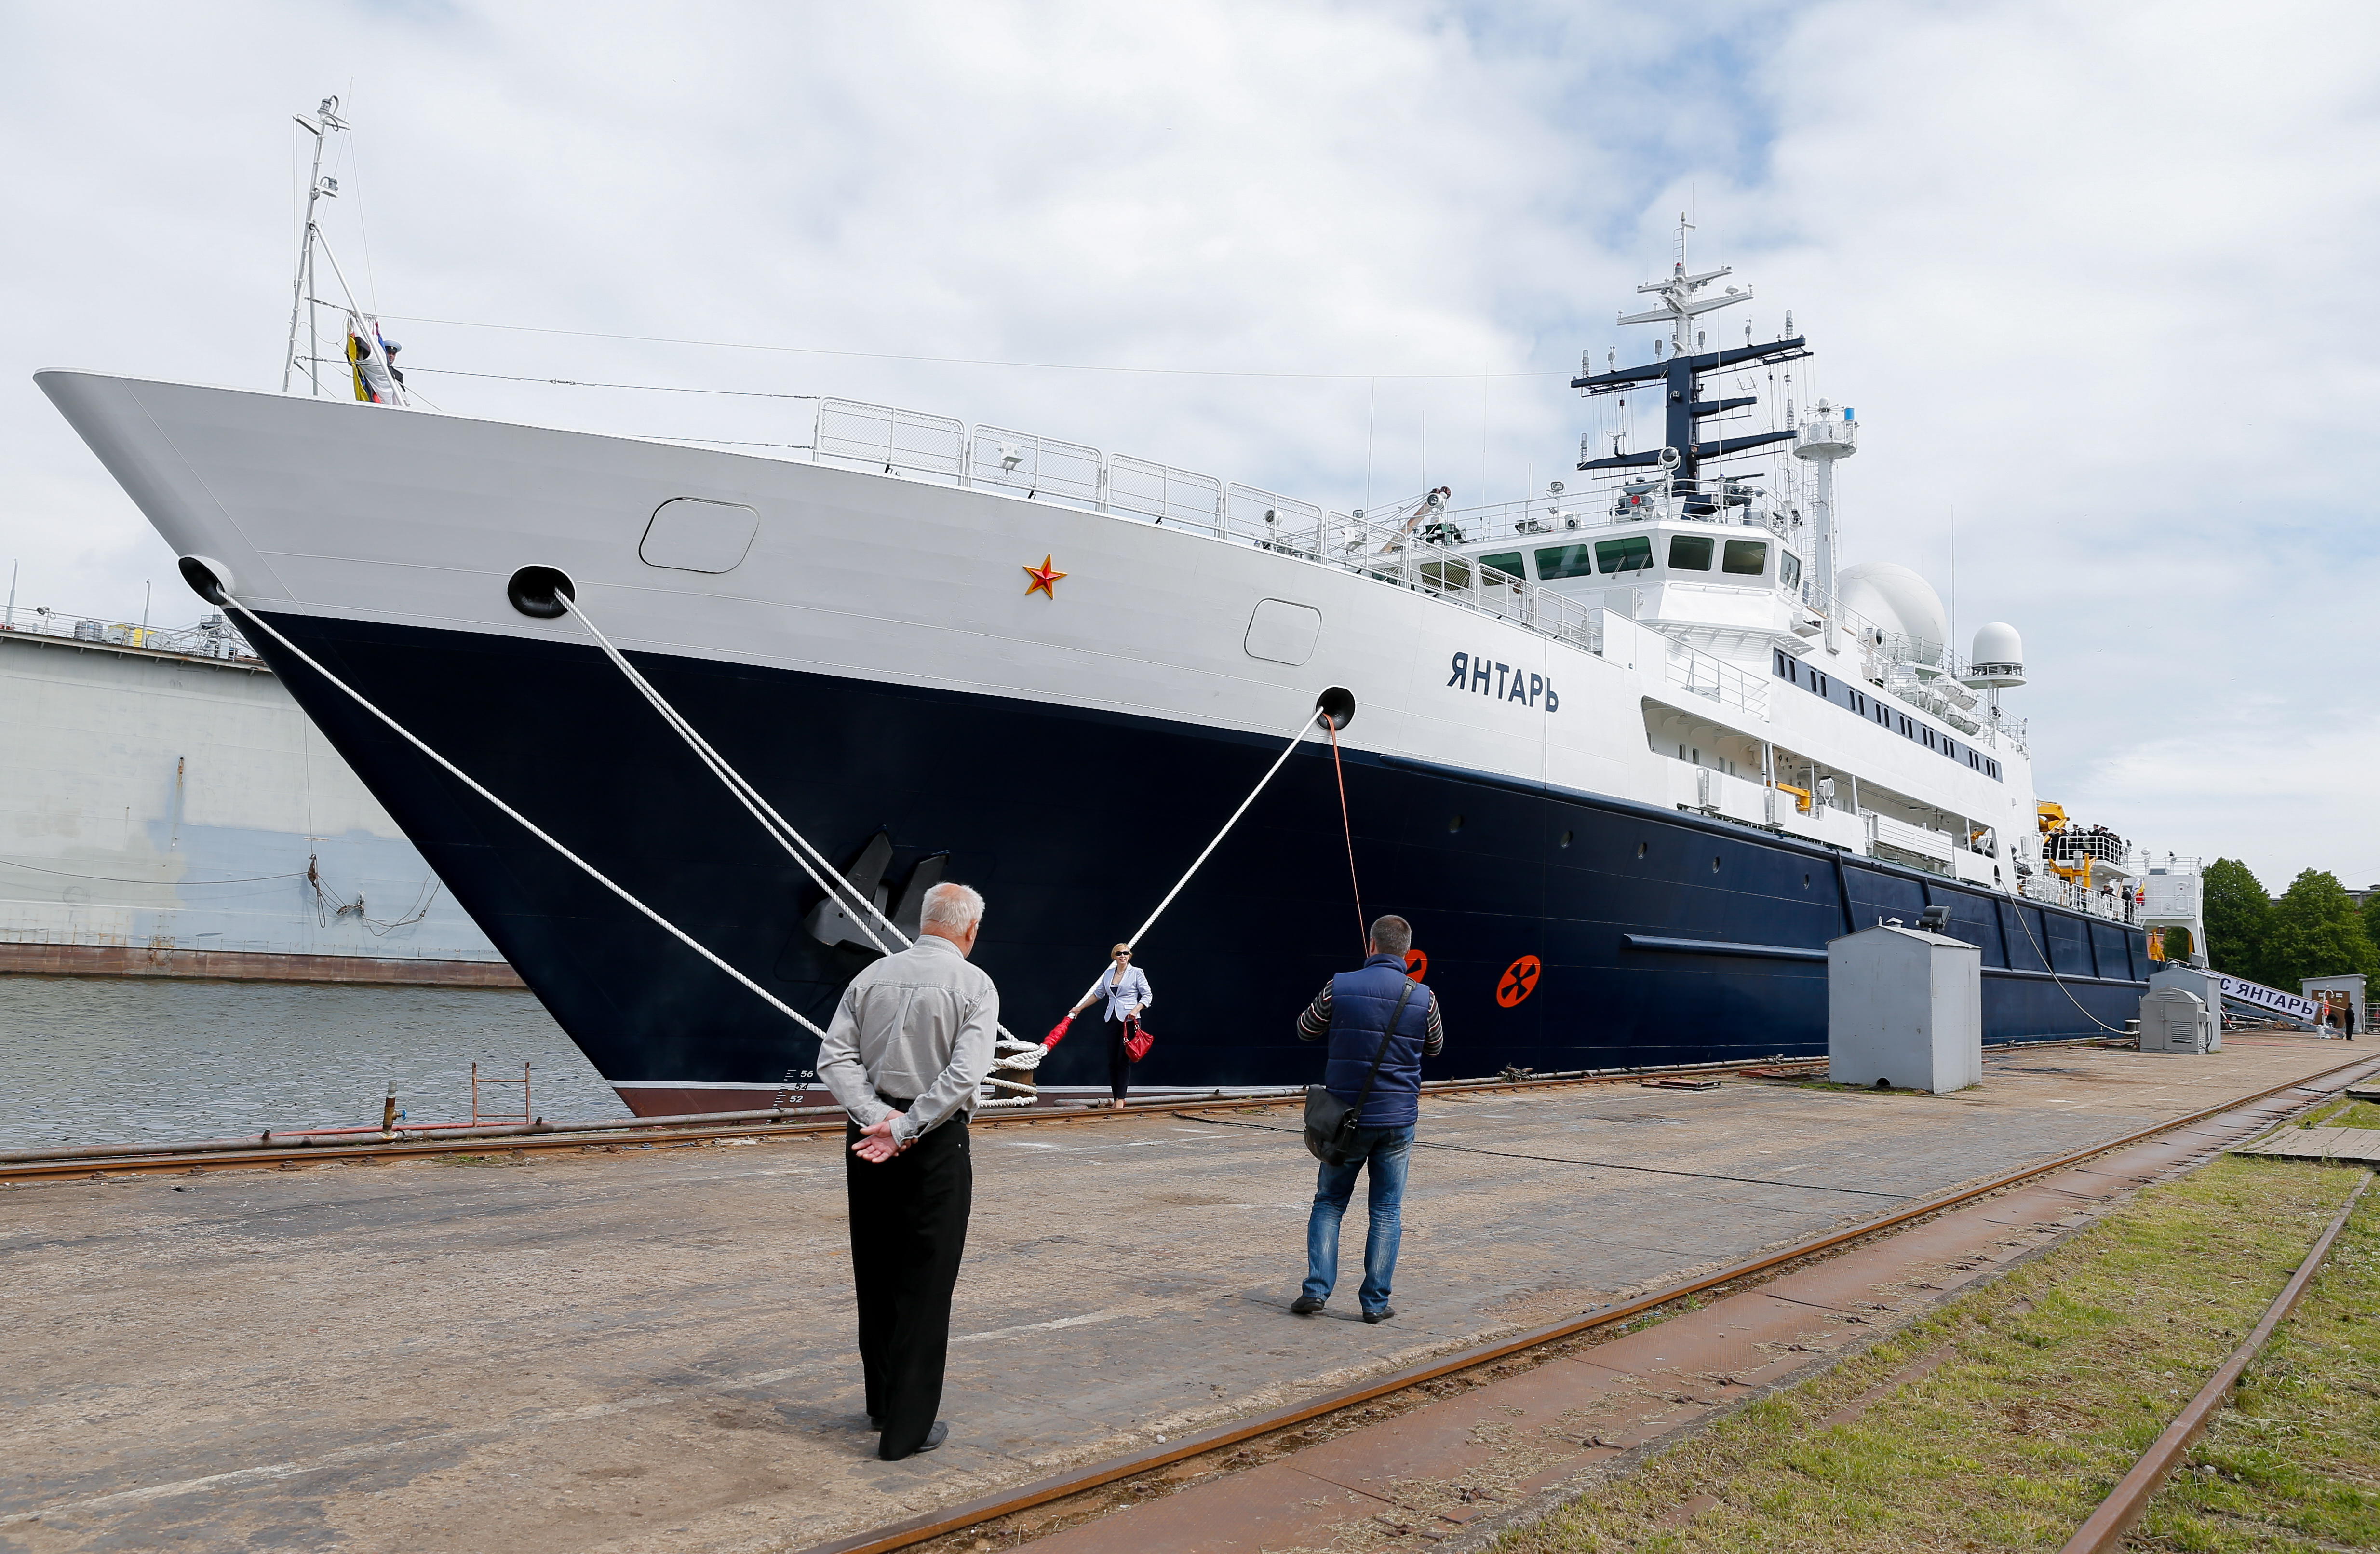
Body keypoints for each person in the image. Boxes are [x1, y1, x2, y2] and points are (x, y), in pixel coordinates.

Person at [816, 881, 998, 1461]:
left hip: (867, 1138)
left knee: (875, 1270)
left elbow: (834, 1058)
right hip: (933, 1141)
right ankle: (906, 1431)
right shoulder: (976, 985)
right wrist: (905, 1128)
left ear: (921, 922)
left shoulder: (869, 977)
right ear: (969, 931)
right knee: (926, 1282)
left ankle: (881, 1402)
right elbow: (963, 1077)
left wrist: (877, 1119)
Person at [1291, 914, 1444, 1324]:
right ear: (1406, 953)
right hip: (1397, 1120)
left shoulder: (1338, 985)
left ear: (1371, 946)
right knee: (1387, 1211)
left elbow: (1305, 1029)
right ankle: (1375, 1303)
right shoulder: (1424, 996)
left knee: (1329, 1202)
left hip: (1345, 1120)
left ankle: (1316, 1290)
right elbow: (1435, 1046)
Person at [1067, 943, 1152, 1109]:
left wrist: (1136, 1009)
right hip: (1112, 1019)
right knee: (1112, 1061)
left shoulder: (1136, 973)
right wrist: (1080, 1008)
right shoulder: (1108, 974)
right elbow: (1099, 994)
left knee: (1123, 1060)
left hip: (1129, 1020)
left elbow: (1148, 995)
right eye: (1119, 953)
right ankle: (1116, 1099)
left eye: (1126, 953)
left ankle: (1121, 1099)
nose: (1123, 956)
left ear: (1130, 955)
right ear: (1115, 956)